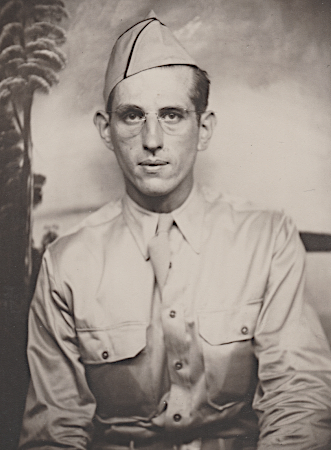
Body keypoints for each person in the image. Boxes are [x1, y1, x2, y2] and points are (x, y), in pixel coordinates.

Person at [19, 11, 331, 450]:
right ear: (105, 130)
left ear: (203, 128)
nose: (151, 139)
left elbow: (297, 398)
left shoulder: (267, 240)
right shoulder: (66, 264)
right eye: (132, 116)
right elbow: (55, 430)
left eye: (171, 115)